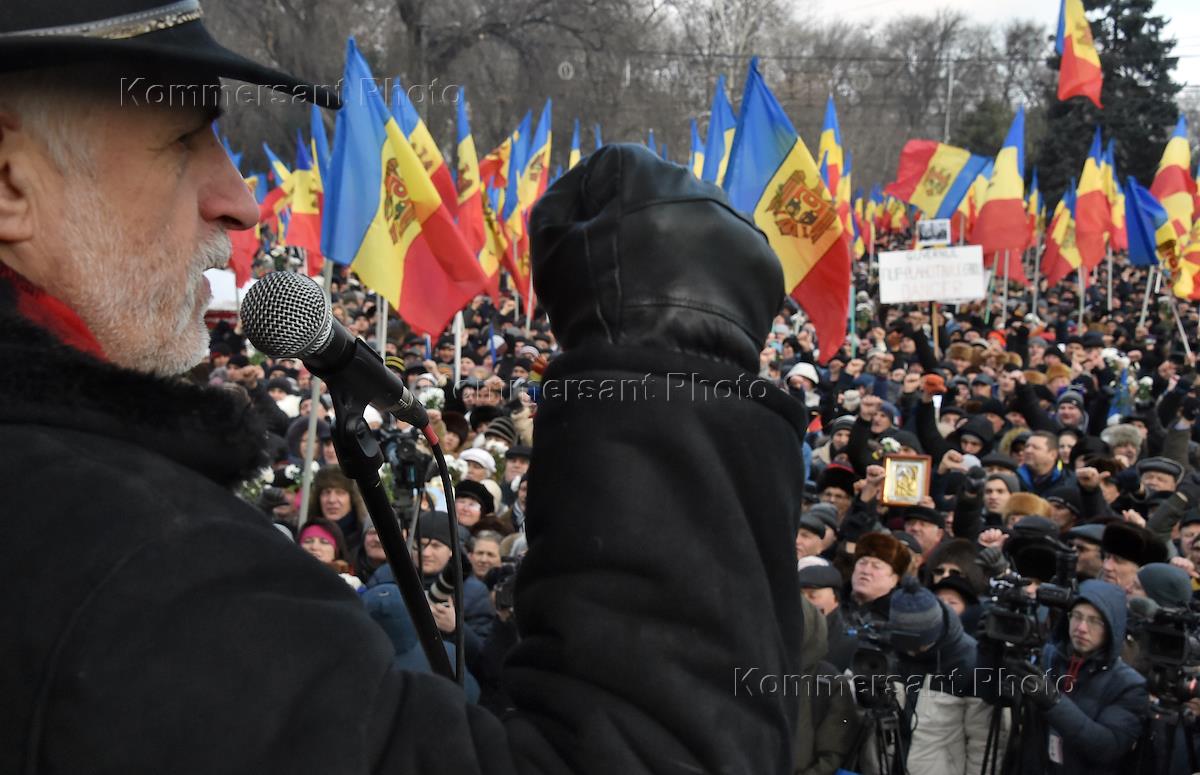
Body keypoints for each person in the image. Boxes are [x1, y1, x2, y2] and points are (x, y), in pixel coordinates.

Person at [0, 13, 806, 766]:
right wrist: (669, 352)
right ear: (9, 183)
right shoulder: (133, 566)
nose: (239, 201)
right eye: (182, 141)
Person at [1004, 580, 1148, 775]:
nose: (1081, 628)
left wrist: (1053, 701)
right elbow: (996, 698)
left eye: (1094, 621)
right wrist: (988, 652)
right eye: (1077, 616)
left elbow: (1107, 747)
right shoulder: (1047, 657)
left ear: (1111, 628)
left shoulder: (1129, 685)